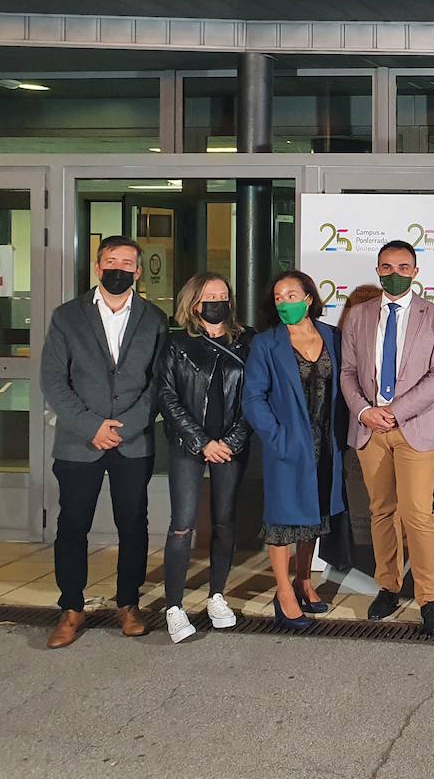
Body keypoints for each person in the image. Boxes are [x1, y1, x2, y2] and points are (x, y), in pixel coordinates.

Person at [41, 235, 168, 649]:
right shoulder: (66, 316)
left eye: (127, 263)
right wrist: (92, 426)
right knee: (72, 525)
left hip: (132, 442)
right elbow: (54, 382)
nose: (119, 268)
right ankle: (71, 607)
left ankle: (128, 605)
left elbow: (157, 384)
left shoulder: (153, 318)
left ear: (137, 270)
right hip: (80, 442)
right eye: (111, 261)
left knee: (133, 524)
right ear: (98, 267)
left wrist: (124, 427)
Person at [339, 240, 434, 634]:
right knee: (381, 511)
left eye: (404, 267)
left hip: (415, 428)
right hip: (370, 429)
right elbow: (348, 372)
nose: (395, 273)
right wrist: (366, 411)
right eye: (387, 266)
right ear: (377, 269)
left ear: (415, 273)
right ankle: (387, 586)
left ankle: (430, 597)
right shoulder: (358, 315)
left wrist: (396, 411)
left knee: (419, 516)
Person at [242, 271, 347, 633]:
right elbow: (253, 398)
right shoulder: (266, 344)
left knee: (313, 516)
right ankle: (284, 591)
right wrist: (277, 438)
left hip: (326, 443)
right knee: (282, 520)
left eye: (291, 295)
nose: (284, 302)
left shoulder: (332, 336)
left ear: (308, 298)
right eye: (278, 298)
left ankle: (304, 580)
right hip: (287, 445)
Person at [157, 272, 253, 644]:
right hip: (188, 446)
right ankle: (175, 607)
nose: (218, 301)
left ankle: (217, 596)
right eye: (209, 295)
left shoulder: (246, 342)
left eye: (223, 295)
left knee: (225, 522)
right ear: (194, 302)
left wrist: (232, 439)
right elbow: (166, 396)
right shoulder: (175, 343)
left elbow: (255, 395)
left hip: (231, 446)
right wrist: (201, 442)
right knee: (182, 525)